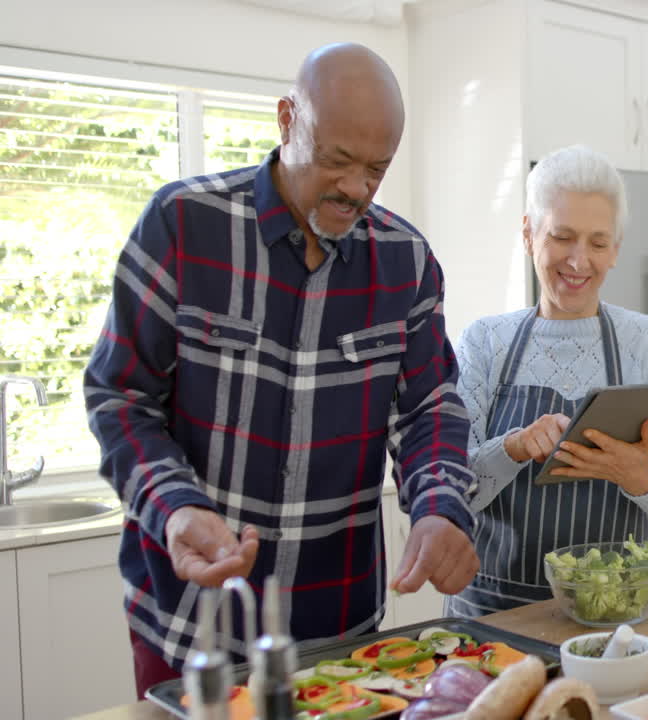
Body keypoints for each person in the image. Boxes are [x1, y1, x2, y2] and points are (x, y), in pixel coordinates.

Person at [84, 43, 479, 698]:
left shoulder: (406, 262)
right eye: (338, 161)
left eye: (376, 170)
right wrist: (175, 508)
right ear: (287, 119)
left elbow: (429, 409)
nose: (356, 188)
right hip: (190, 627)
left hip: (340, 631)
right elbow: (119, 398)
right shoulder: (183, 225)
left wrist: (441, 507)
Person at [448, 145, 648, 617]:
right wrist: (513, 449)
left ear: (617, 249)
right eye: (562, 237)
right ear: (528, 235)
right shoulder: (484, 342)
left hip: (613, 616)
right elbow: (451, 489)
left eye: (598, 243)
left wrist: (640, 478)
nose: (579, 261)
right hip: (491, 616)